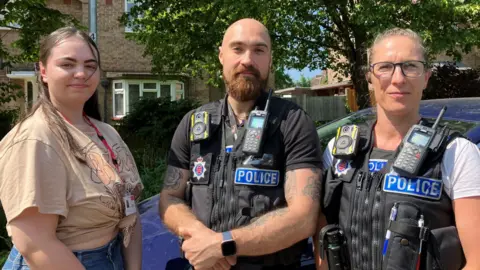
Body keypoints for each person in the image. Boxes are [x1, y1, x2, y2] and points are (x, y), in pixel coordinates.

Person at [159, 18, 323, 270]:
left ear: (270, 59)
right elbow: (170, 197)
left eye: (259, 50)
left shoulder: (293, 123)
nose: (247, 59)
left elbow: (304, 217)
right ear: (221, 56)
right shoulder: (194, 123)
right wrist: (200, 238)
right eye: (237, 49)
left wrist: (223, 244)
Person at [314, 28, 480, 270]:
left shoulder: (456, 153)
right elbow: (321, 235)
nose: (398, 78)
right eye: (385, 67)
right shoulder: (339, 149)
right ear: (370, 78)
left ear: (426, 77)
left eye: (410, 66)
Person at [0, 27, 143, 270]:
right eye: (67, 64)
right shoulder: (35, 139)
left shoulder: (107, 132)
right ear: (43, 71)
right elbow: (35, 242)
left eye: (90, 66)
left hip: (112, 257)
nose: (81, 73)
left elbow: (130, 213)